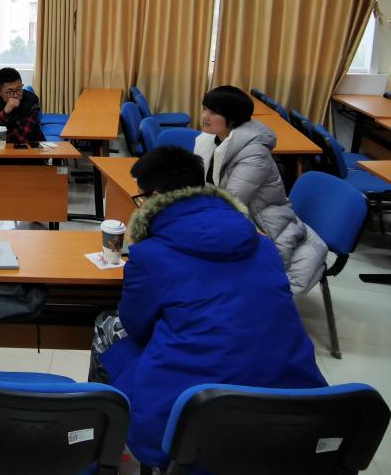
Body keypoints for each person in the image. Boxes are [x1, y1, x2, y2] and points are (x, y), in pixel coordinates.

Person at [90, 146, 326, 469]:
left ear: (154, 196)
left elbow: (135, 325)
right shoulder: (262, 244)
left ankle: (104, 448)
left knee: (107, 326)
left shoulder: (149, 255)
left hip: (194, 419)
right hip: (296, 410)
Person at [193, 85, 328, 295]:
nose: (205, 116)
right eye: (205, 109)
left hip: (263, 223)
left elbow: (231, 202)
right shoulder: (211, 140)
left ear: (232, 118)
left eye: (213, 112)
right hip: (234, 215)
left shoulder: (254, 154)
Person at [0, 67, 42, 145]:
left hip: (30, 147)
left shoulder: (31, 101)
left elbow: (21, 137)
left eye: (19, 89)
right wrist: (5, 112)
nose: (16, 95)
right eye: (10, 91)